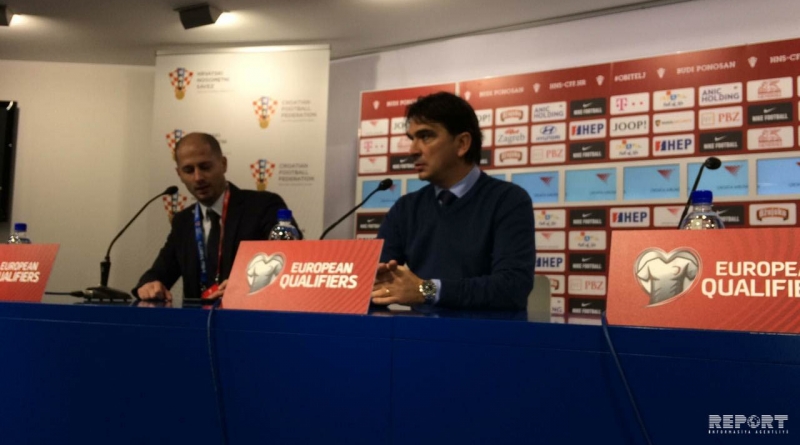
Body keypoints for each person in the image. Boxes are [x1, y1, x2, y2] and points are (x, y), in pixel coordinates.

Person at [372, 92, 535, 310]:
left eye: (426, 136)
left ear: (462, 144)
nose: (412, 150)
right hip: (419, 330)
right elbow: (375, 279)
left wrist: (426, 290)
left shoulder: (509, 200)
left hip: (488, 331)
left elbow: (512, 287)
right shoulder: (406, 208)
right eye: (412, 139)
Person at [134, 132, 301, 301]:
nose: (198, 177)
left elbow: (291, 261)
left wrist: (244, 283)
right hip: (197, 316)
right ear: (179, 174)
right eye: (188, 170)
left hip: (249, 313)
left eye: (205, 167)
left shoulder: (263, 206)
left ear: (223, 164)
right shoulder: (183, 221)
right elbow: (160, 272)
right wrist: (149, 284)